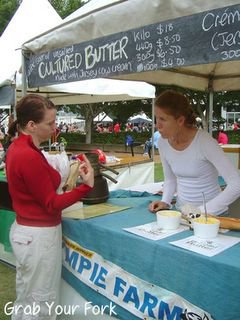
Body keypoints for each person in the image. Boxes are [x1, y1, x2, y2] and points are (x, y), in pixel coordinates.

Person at [6, 94, 94, 319]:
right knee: (42, 303)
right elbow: (51, 204)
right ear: (32, 125)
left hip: (28, 232)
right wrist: (85, 188)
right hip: (39, 237)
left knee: (27, 298)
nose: (55, 128)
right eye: (50, 123)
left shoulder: (21, 149)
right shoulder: (27, 155)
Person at [148, 90, 240, 216]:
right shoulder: (163, 143)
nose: (157, 125)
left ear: (180, 120)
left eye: (162, 119)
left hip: (212, 216)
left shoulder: (204, 142)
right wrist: (165, 201)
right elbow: (170, 179)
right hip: (182, 213)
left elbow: (236, 184)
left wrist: (200, 212)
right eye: (156, 118)